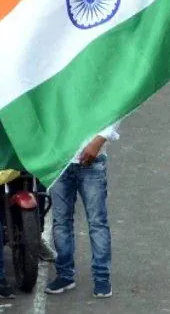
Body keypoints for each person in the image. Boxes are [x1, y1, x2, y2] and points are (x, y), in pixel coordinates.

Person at [46, 126, 118, 298]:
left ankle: (102, 278)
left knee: (97, 222)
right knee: (61, 221)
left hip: (92, 160)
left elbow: (114, 109)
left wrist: (97, 142)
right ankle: (64, 275)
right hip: (60, 160)